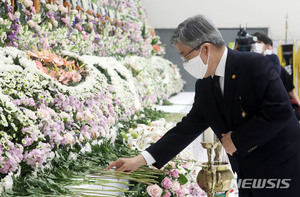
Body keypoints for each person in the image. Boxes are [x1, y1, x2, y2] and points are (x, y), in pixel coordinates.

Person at [107, 15, 300, 197]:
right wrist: (140, 160)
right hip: (247, 170)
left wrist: (238, 139)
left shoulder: (253, 65)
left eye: (185, 56)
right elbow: (187, 128)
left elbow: (279, 112)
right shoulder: (205, 84)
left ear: (205, 49)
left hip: (280, 166)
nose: (184, 63)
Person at [252, 32, 300, 118]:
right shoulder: (248, 67)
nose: (255, 45)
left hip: (275, 111)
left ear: (266, 46)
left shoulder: (279, 69)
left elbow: (291, 92)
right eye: (253, 43)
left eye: (259, 42)